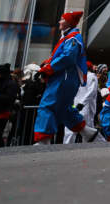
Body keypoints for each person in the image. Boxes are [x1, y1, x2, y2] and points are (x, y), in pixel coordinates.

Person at [33, 11, 98, 144]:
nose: (59, 22)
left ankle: (43, 139)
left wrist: (49, 68)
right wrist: (48, 64)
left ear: (69, 22)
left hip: (63, 78)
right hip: (66, 78)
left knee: (47, 106)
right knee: (63, 108)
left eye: (62, 19)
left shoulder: (72, 38)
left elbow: (68, 57)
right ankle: (87, 132)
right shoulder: (69, 38)